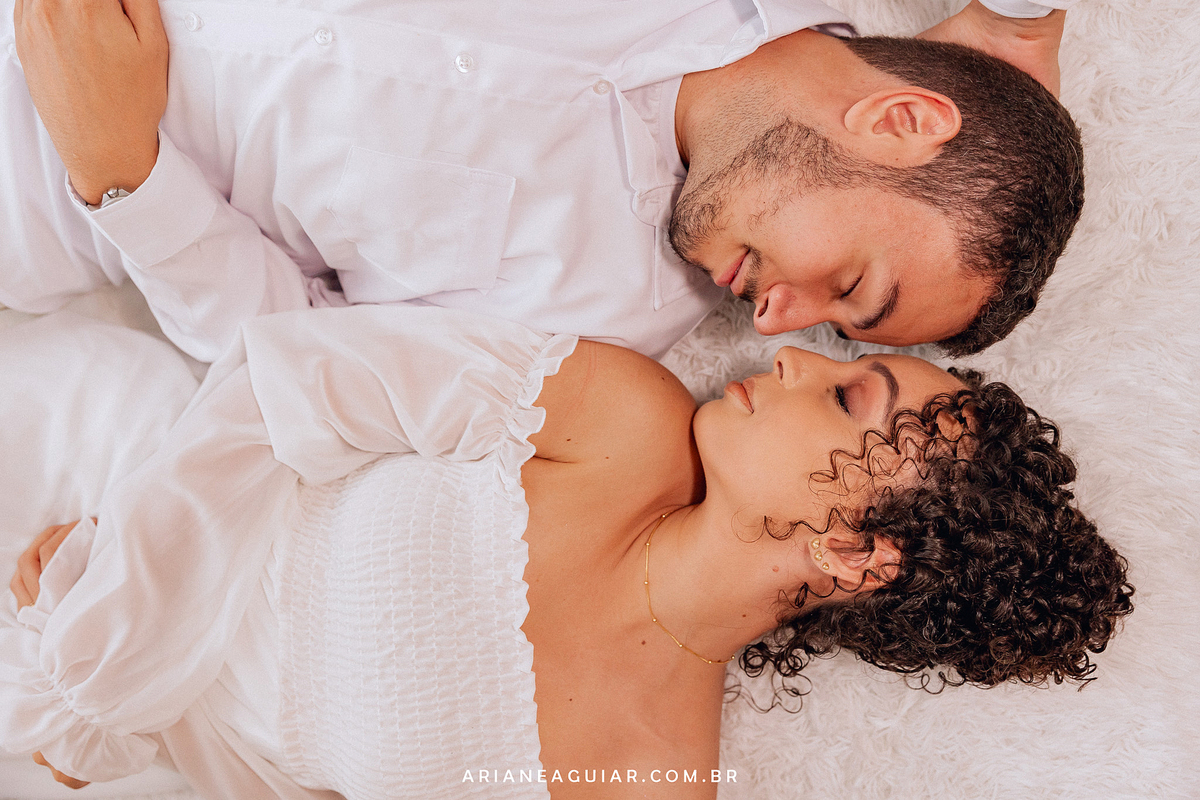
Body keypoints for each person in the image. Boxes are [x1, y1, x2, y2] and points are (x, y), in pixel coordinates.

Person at [0, 305, 1132, 797]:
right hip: (124, 460)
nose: (792, 358)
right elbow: (295, 380)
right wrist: (118, 623)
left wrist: (129, 728)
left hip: (88, 719)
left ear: (856, 554)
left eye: (847, 397)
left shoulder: (643, 781)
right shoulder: (621, 419)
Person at [3, 0, 1082, 362]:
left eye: (831, 326)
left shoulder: (600, 325)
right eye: (849, 287)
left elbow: (287, 352)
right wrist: (1021, 18)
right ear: (900, 121)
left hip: (33, 178)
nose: (774, 321)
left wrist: (117, 166)